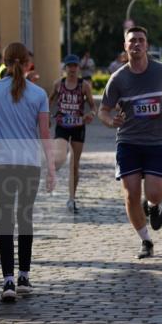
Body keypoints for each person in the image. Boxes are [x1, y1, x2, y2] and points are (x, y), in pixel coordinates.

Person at [0, 42, 55, 302]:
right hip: (29, 164)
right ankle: (24, 276)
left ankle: (7, 280)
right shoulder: (39, 94)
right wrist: (52, 169)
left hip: (1, 163)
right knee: (25, 219)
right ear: (27, 63)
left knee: (4, 221)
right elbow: (44, 134)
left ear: (4, 61)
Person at [98, 26, 162, 258]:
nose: (136, 44)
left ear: (147, 45)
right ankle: (145, 241)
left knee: (154, 193)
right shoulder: (118, 79)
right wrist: (110, 120)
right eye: (132, 40)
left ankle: (153, 206)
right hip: (129, 141)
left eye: (141, 40)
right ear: (125, 46)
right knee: (131, 194)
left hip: (157, 140)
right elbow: (102, 110)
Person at [49, 53, 97, 213]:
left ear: (78, 68)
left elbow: (93, 106)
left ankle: (71, 198)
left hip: (78, 126)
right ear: (65, 68)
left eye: (75, 66)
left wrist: (91, 114)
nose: (72, 69)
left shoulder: (84, 86)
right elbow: (49, 101)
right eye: (69, 66)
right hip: (62, 125)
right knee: (59, 158)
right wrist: (47, 116)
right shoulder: (58, 84)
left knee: (74, 166)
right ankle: (51, 172)